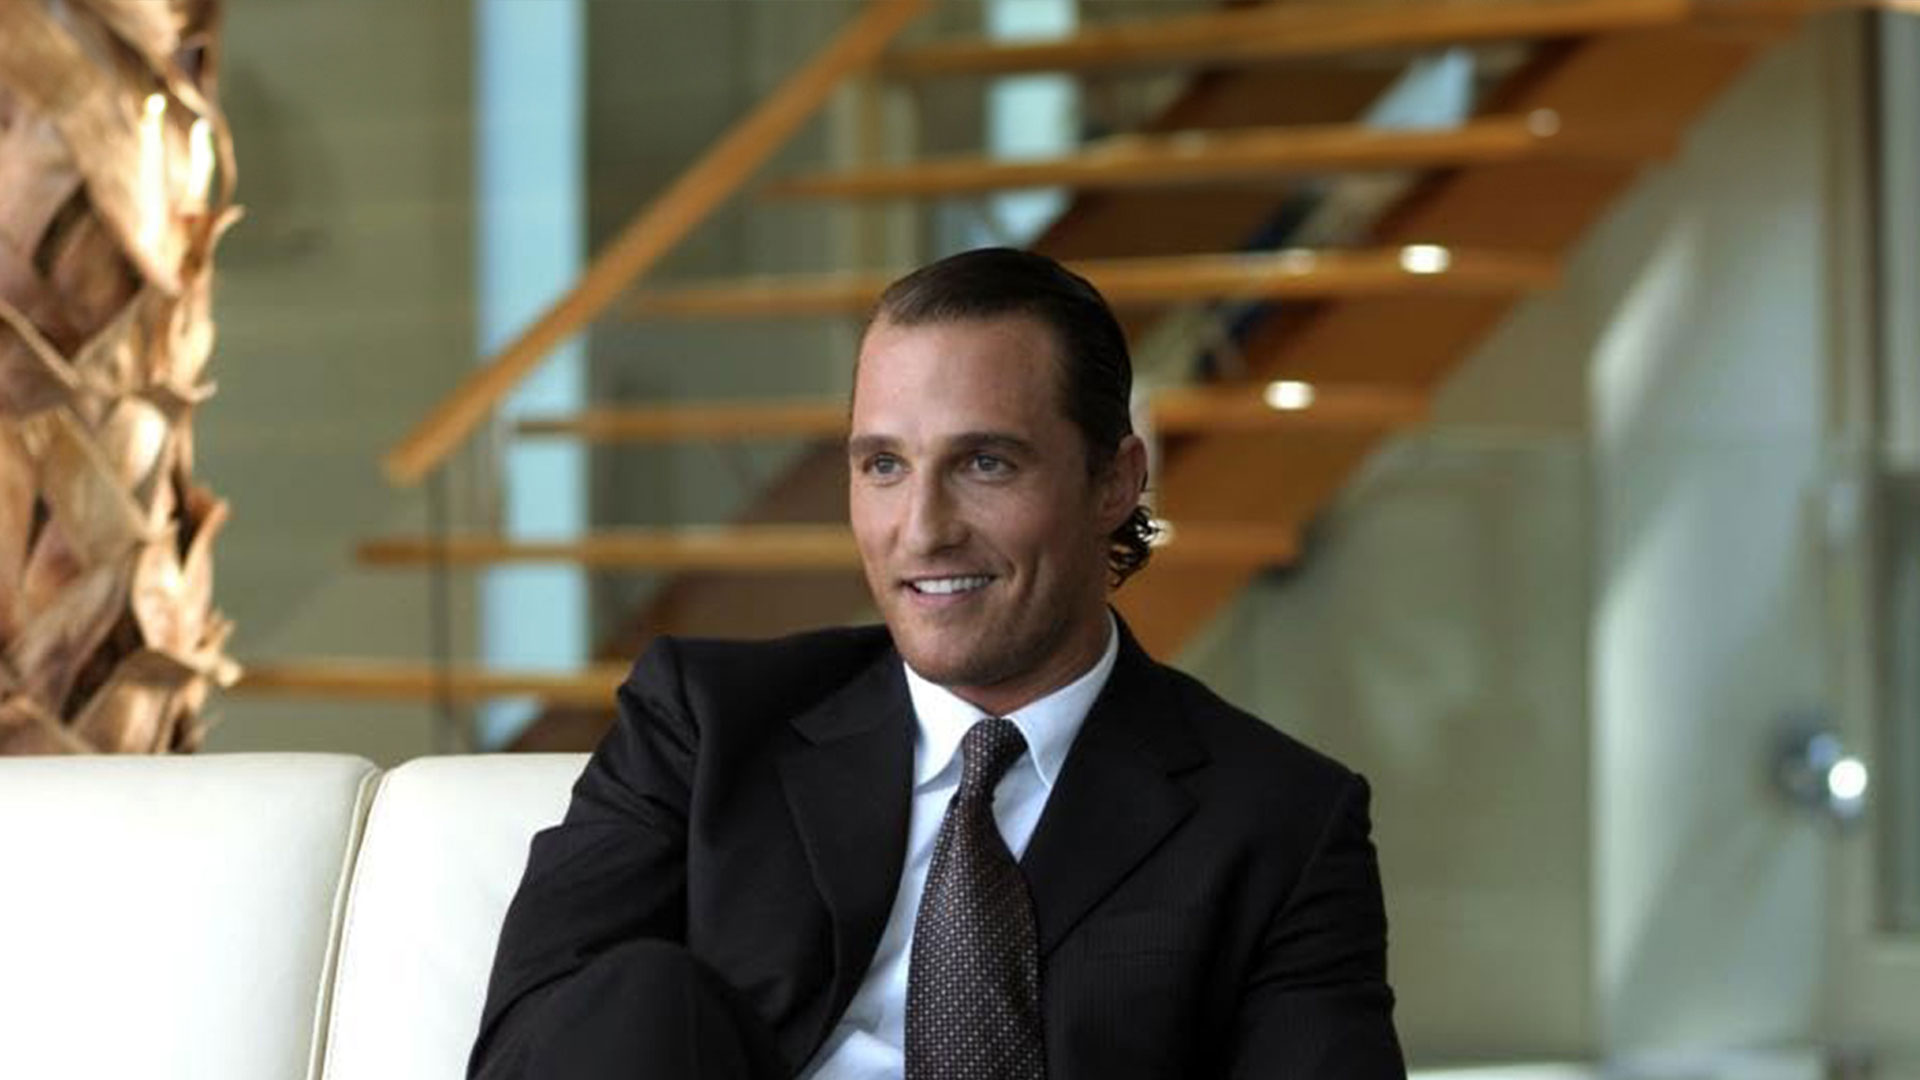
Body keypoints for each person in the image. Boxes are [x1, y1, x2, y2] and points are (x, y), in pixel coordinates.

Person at [469, 247, 1405, 1080]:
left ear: (1115, 482)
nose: (921, 531)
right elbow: (532, 1048)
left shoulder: (1280, 821)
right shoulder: (705, 721)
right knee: (639, 993)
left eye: (985, 463)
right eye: (884, 466)